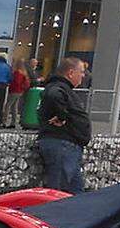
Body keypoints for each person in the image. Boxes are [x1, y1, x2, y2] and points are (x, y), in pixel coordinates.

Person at [36, 57, 91, 194]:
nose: (83, 76)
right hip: (63, 144)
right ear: (71, 73)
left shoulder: (61, 88)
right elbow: (54, 96)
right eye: (82, 72)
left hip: (68, 146)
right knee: (60, 192)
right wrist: (62, 116)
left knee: (74, 192)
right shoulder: (58, 88)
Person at [4, 57, 30, 128]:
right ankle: (13, 122)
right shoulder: (24, 72)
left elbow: (16, 82)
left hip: (14, 90)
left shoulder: (17, 72)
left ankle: (4, 121)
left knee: (8, 105)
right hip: (20, 91)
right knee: (14, 107)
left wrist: (10, 82)